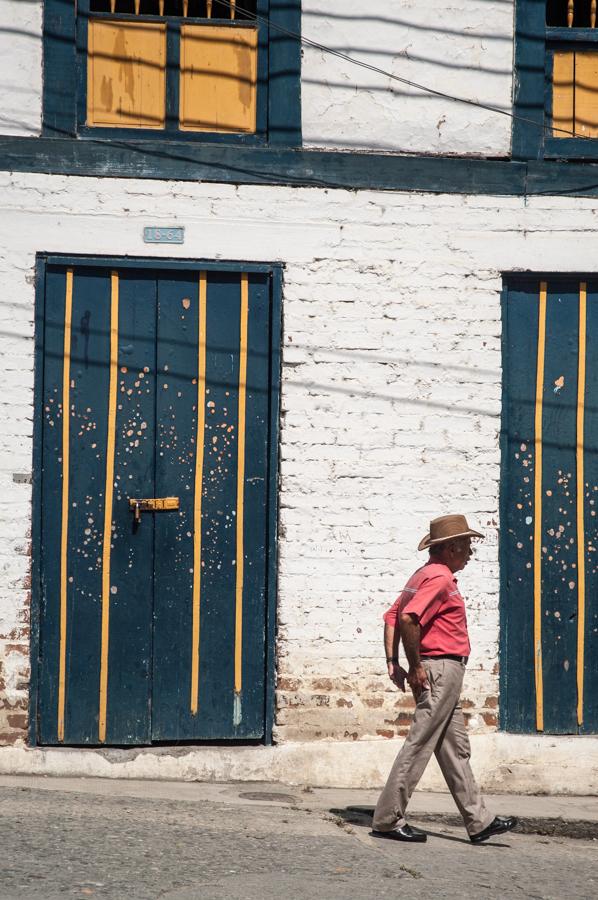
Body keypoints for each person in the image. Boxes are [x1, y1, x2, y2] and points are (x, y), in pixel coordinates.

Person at [371, 514, 517, 845]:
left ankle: (479, 821)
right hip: (440, 669)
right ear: (451, 547)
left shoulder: (422, 575)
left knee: (454, 749)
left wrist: (393, 661)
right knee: (420, 743)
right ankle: (388, 819)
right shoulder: (440, 580)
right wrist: (416, 665)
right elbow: (408, 619)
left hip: (439, 670)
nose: (469, 553)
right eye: (466, 547)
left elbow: (392, 616)